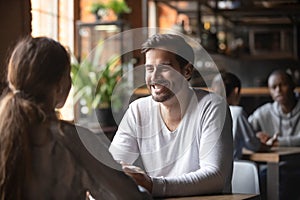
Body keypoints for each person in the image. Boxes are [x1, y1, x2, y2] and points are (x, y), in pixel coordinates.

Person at [0, 36, 150, 199]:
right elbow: (129, 196)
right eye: (69, 75)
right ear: (59, 86)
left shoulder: (5, 133)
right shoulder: (73, 139)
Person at [109, 33, 233, 197]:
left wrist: (152, 185)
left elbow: (216, 177)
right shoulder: (137, 111)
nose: (154, 77)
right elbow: (112, 167)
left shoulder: (212, 107)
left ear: (187, 71)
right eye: (149, 69)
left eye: (164, 68)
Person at [248, 69, 300, 199]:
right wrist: (256, 136)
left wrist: (277, 142)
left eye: (283, 85)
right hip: (273, 167)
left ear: (293, 86)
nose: (278, 90)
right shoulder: (264, 112)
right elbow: (245, 131)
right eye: (273, 87)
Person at [211, 72, 270, 160]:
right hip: (232, 170)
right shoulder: (236, 112)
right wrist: (267, 144)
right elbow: (253, 145)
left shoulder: (207, 111)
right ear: (236, 91)